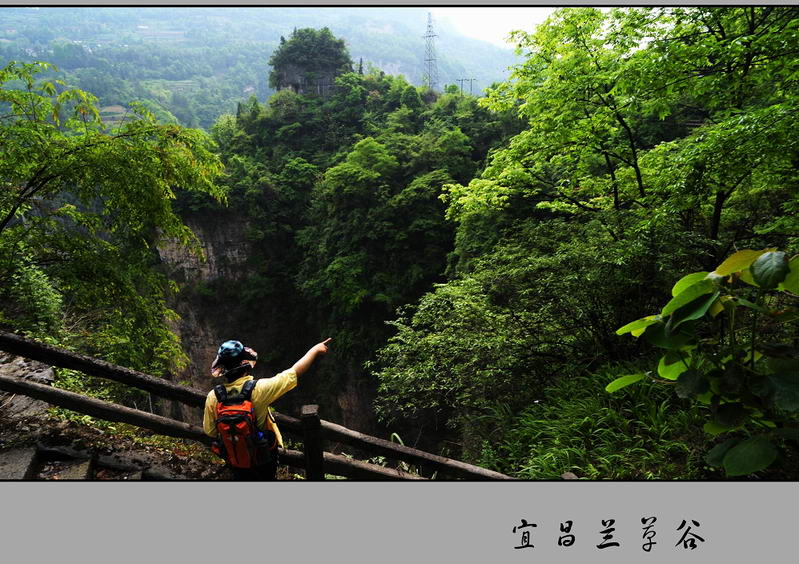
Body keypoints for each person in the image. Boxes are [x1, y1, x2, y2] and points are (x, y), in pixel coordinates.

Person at [202, 337, 332, 480]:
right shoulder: (259, 389)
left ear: (222, 369)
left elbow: (210, 431)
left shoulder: (213, 397)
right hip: (262, 456)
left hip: (235, 458)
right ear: (245, 363)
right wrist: (314, 350)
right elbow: (292, 373)